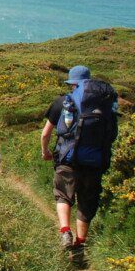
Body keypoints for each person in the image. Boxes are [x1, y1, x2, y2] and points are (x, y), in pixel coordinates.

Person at [40, 65, 119, 249]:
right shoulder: (105, 104)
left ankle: (65, 231)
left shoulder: (63, 102)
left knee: (63, 195)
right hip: (95, 162)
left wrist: (45, 152)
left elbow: (45, 134)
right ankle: (80, 244)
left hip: (67, 159)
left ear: (72, 83)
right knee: (86, 202)